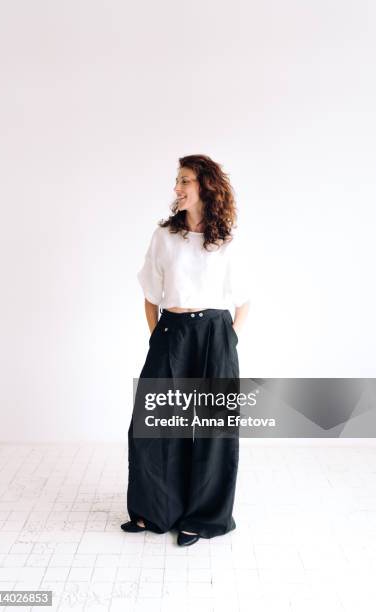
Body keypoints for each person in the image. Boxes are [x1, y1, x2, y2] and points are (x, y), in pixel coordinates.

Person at [121, 154, 250, 546]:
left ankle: (202, 518)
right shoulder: (164, 236)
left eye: (185, 180)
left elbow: (243, 300)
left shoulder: (225, 238)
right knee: (155, 424)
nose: (177, 188)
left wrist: (230, 339)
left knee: (213, 430)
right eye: (177, 181)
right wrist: (158, 337)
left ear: (204, 185)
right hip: (171, 331)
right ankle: (155, 511)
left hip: (215, 332)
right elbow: (149, 294)